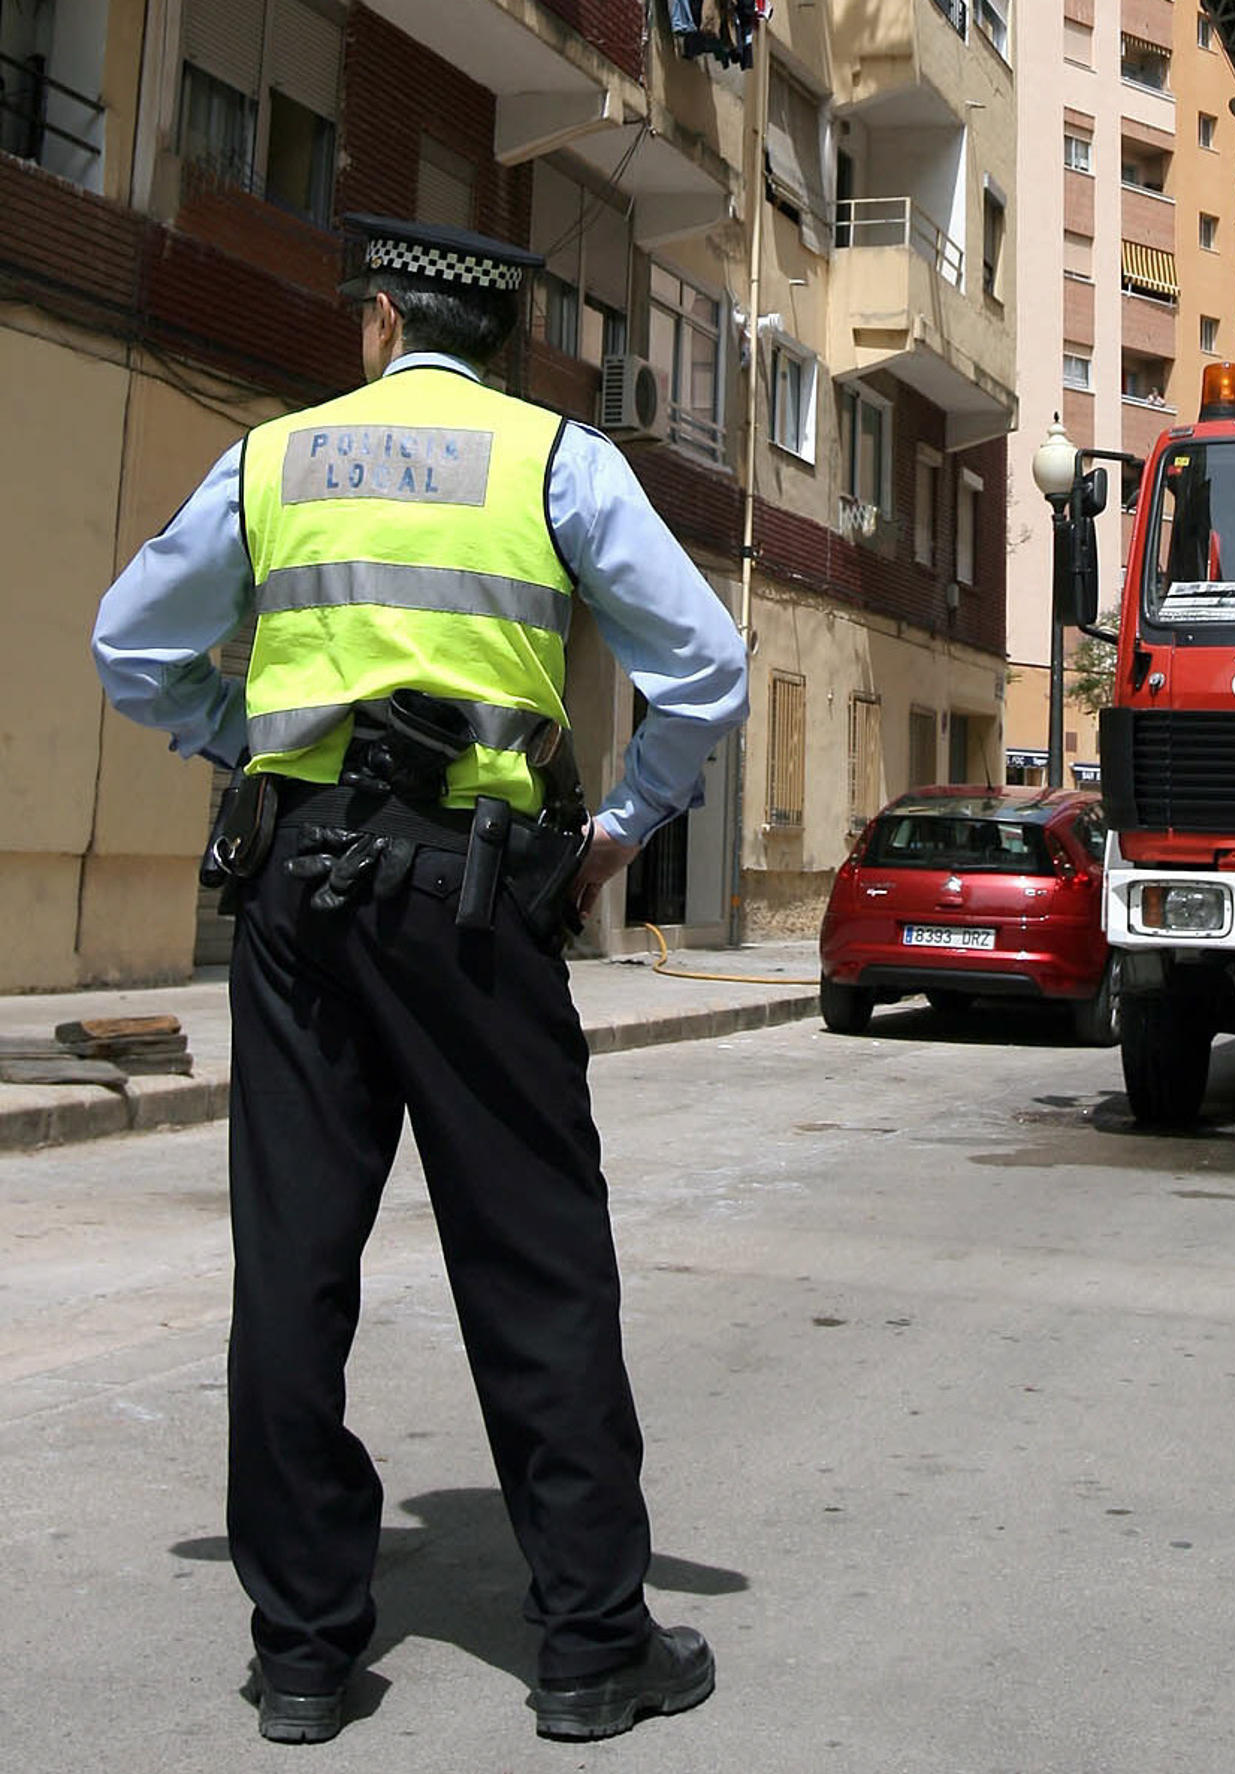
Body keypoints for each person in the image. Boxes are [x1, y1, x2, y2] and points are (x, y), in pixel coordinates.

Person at [91, 216, 749, 1745]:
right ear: (500, 337)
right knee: (538, 1264)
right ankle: (590, 1645)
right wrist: (615, 834)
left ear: (381, 317)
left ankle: (306, 1652)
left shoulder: (279, 460)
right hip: (478, 901)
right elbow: (706, 668)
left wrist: (236, 741)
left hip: (297, 896)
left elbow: (134, 646)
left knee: (294, 1261)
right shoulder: (555, 462)